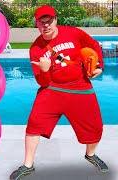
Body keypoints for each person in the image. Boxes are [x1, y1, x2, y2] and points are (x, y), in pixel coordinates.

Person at [9, 5, 108, 180]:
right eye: (42, 22)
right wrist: (45, 70)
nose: (46, 25)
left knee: (95, 127)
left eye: (49, 21)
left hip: (80, 86)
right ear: (37, 25)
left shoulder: (73, 33)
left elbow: (93, 45)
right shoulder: (35, 49)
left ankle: (90, 155)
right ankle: (28, 165)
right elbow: (42, 81)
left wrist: (99, 65)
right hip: (53, 88)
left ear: (56, 21)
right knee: (34, 123)